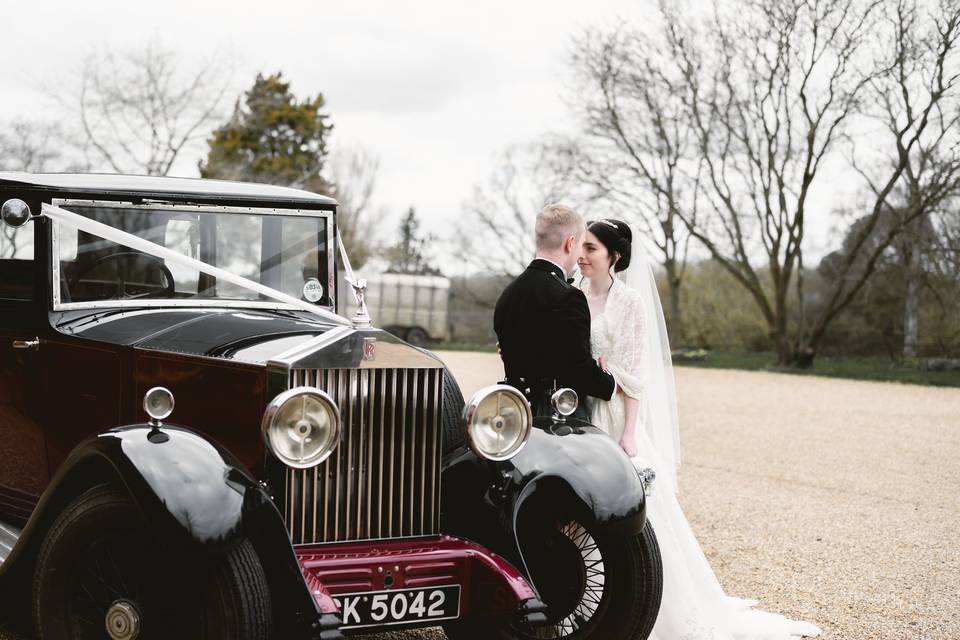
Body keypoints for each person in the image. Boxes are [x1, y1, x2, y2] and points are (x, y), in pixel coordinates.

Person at [579, 217, 822, 640]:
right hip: (579, 414)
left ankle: (653, 599)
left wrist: (631, 432)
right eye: (580, 246)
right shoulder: (574, 295)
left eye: (591, 248)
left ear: (614, 256)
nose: (581, 254)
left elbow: (636, 376)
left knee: (635, 511)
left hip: (615, 414)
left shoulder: (630, 303)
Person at [494, 204, 615, 419]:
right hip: (557, 417)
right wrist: (610, 383)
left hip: (515, 415)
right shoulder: (568, 296)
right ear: (570, 243)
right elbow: (578, 369)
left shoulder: (508, 294)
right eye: (580, 245)